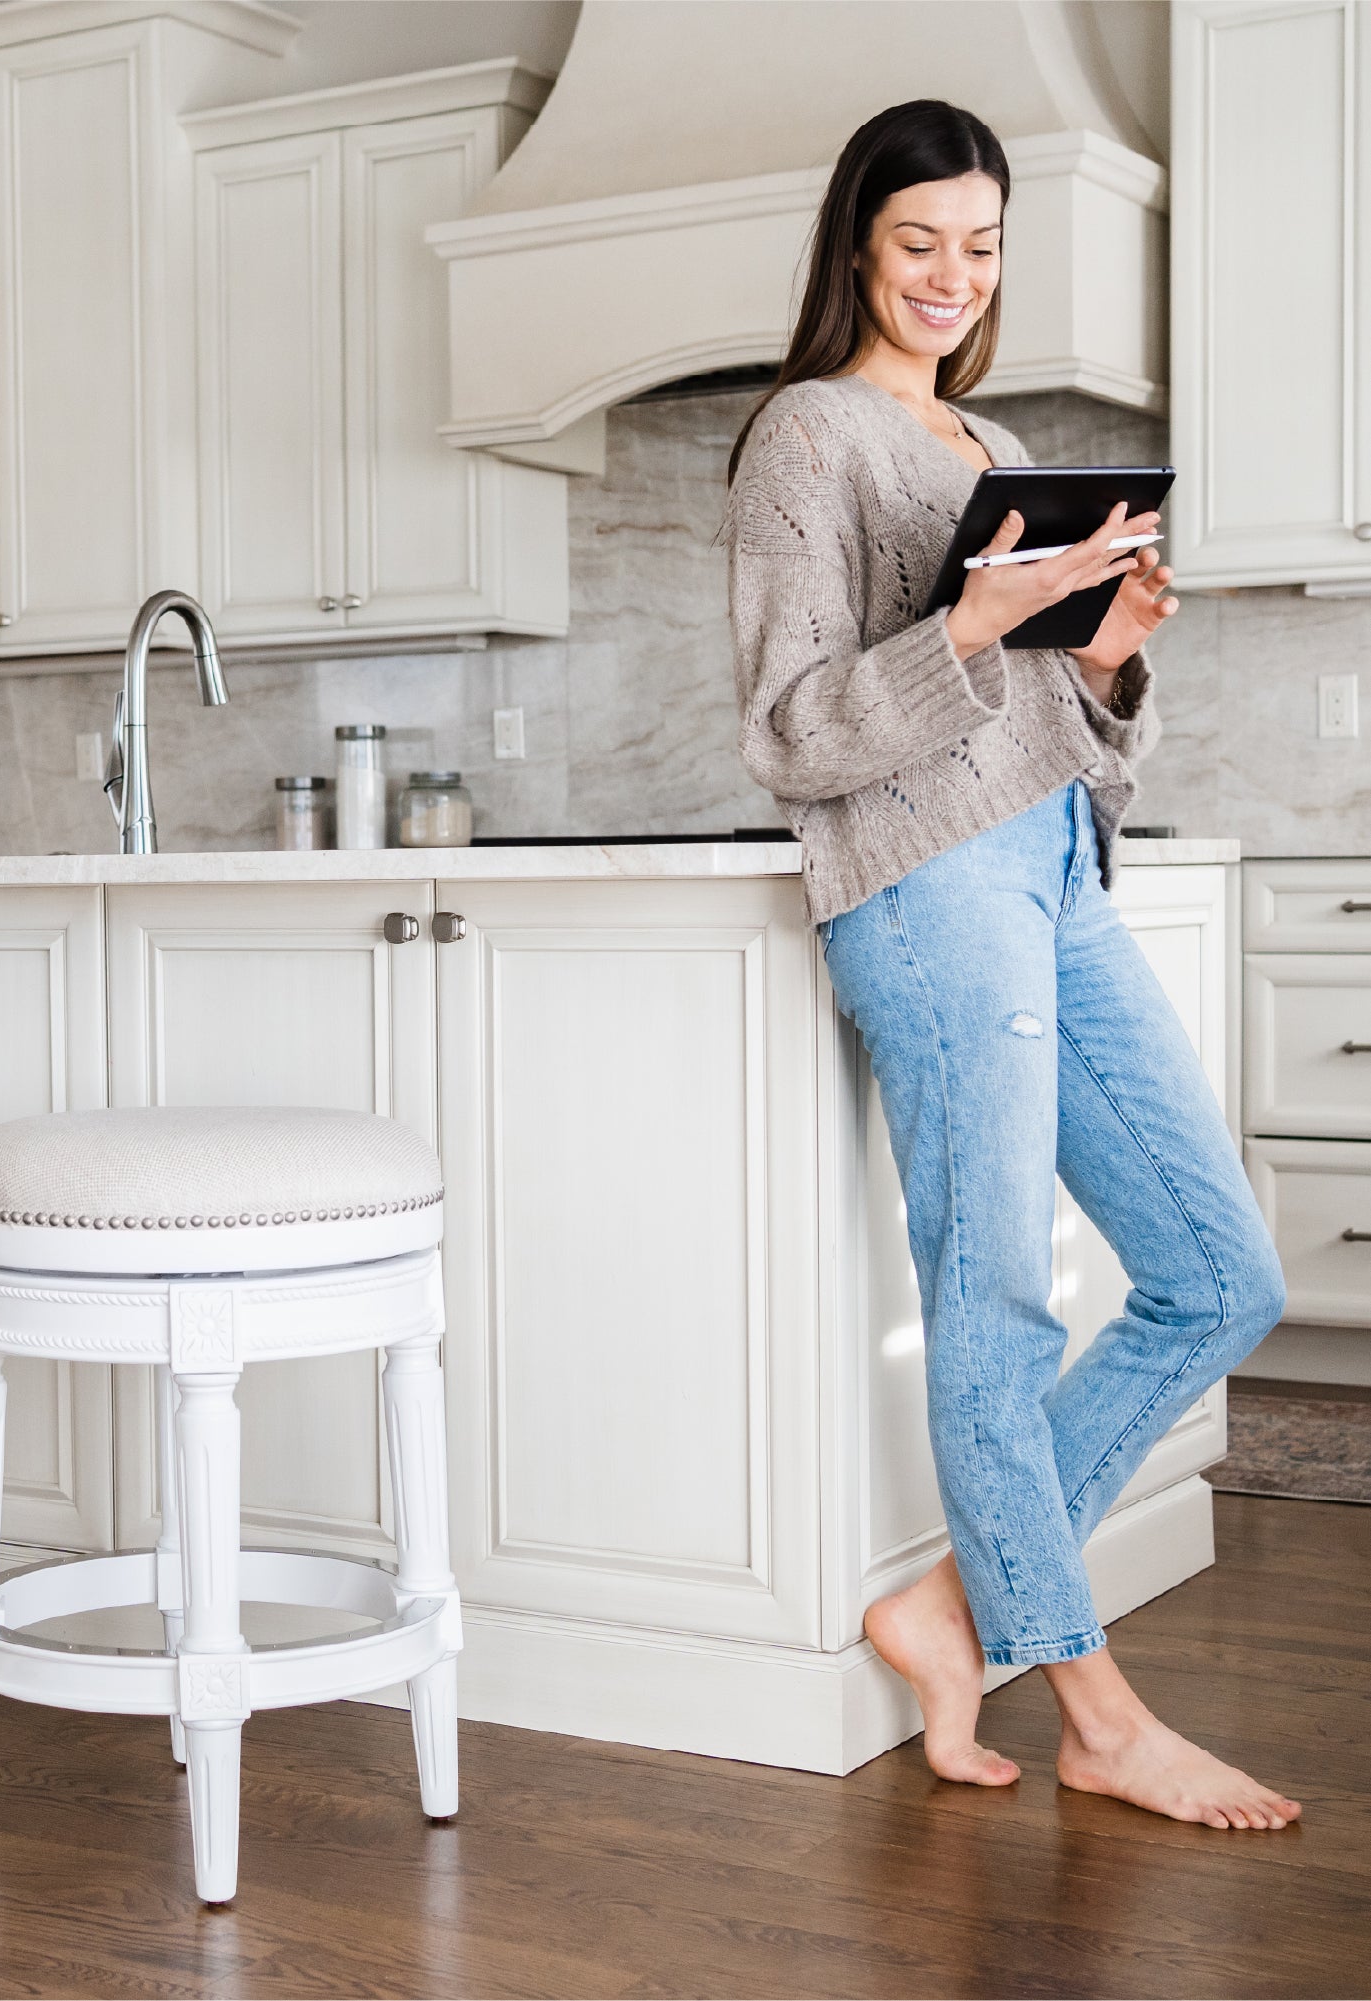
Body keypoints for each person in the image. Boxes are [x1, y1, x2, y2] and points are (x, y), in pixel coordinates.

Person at [727, 99, 1300, 1831]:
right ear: (856, 249)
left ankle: (949, 1609)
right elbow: (788, 727)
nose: (949, 276)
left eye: (977, 248)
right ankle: (1094, 1710)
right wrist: (970, 620)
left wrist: (1104, 656)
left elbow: (1049, 730)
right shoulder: (805, 436)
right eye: (918, 243)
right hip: (920, 887)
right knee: (993, 1293)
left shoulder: (991, 443)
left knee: (1218, 1271)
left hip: (1053, 867)